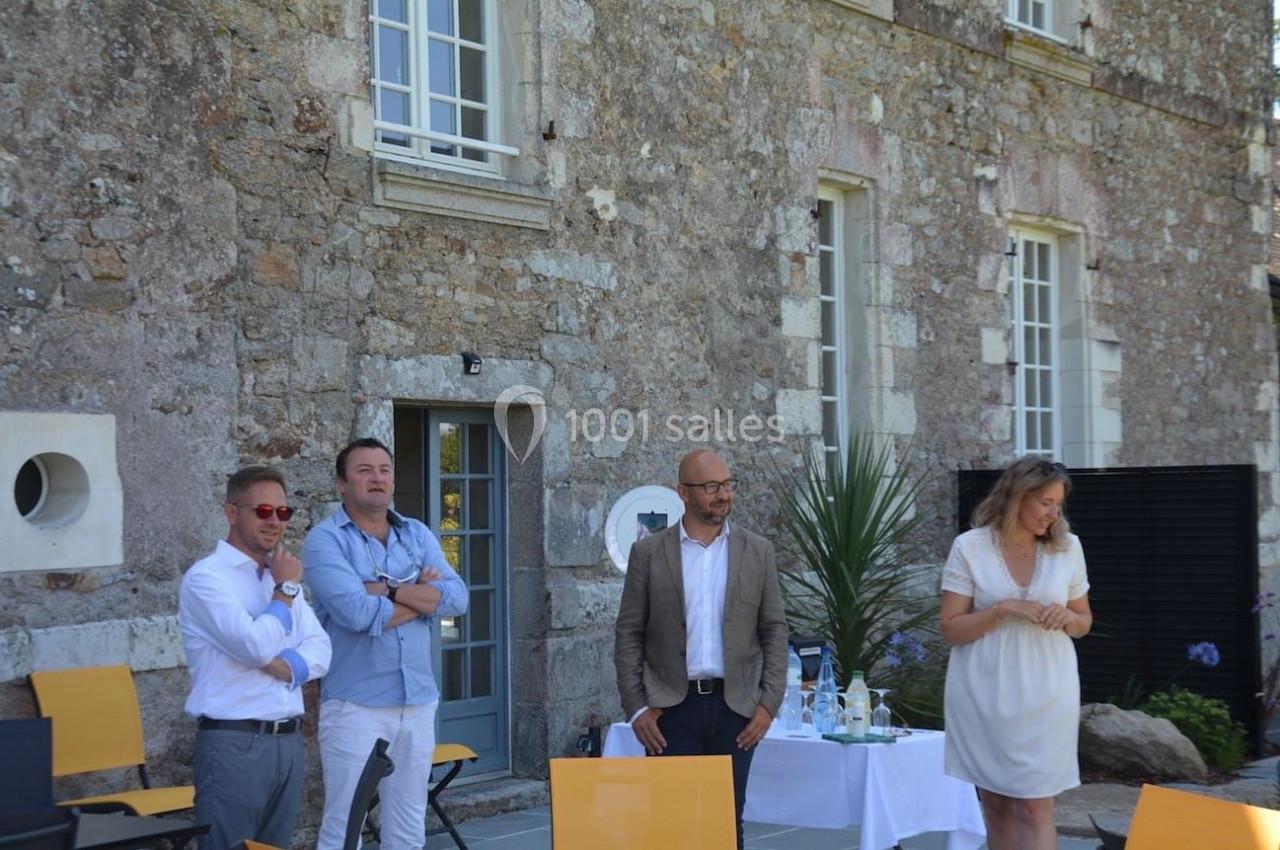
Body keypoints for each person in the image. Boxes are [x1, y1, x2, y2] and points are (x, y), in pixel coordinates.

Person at [614, 448, 788, 850]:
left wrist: (767, 705)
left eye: (728, 485)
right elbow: (628, 633)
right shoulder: (649, 553)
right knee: (671, 828)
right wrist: (637, 707)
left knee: (726, 825)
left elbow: (775, 630)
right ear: (683, 492)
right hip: (670, 711)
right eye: (711, 487)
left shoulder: (757, 551)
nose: (723, 495)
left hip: (736, 711)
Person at [304, 437, 468, 850]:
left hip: (417, 699)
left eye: (384, 470)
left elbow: (459, 598)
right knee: (345, 825)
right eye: (364, 471)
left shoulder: (416, 534)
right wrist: (421, 595)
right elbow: (356, 614)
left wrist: (390, 592)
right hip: (356, 704)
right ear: (342, 484)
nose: (376, 478)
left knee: (409, 826)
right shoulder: (325, 541)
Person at [940, 456, 1093, 850]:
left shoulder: (1068, 548)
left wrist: (1066, 617)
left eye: (1058, 504)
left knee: (1034, 805)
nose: (1053, 513)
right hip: (982, 690)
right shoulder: (969, 547)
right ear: (1017, 497)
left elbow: (1083, 622)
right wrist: (1001, 610)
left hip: (1047, 689)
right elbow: (952, 629)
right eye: (1045, 503)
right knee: (993, 802)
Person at [179, 465, 332, 850]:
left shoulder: (277, 574)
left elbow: (321, 649)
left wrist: (282, 667)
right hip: (234, 741)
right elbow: (256, 647)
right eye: (263, 511)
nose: (275, 521)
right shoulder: (207, 579)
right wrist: (284, 591)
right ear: (232, 513)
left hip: (287, 741)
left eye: (283, 512)